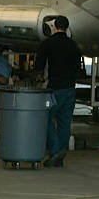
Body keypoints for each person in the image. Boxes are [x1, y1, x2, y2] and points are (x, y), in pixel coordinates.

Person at [35, 15, 82, 167]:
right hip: (70, 89)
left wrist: (39, 78)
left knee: (46, 119)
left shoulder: (48, 44)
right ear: (67, 28)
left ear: (54, 27)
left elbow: (39, 67)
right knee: (64, 123)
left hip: (54, 89)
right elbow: (78, 69)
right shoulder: (74, 45)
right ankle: (60, 154)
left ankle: (55, 151)